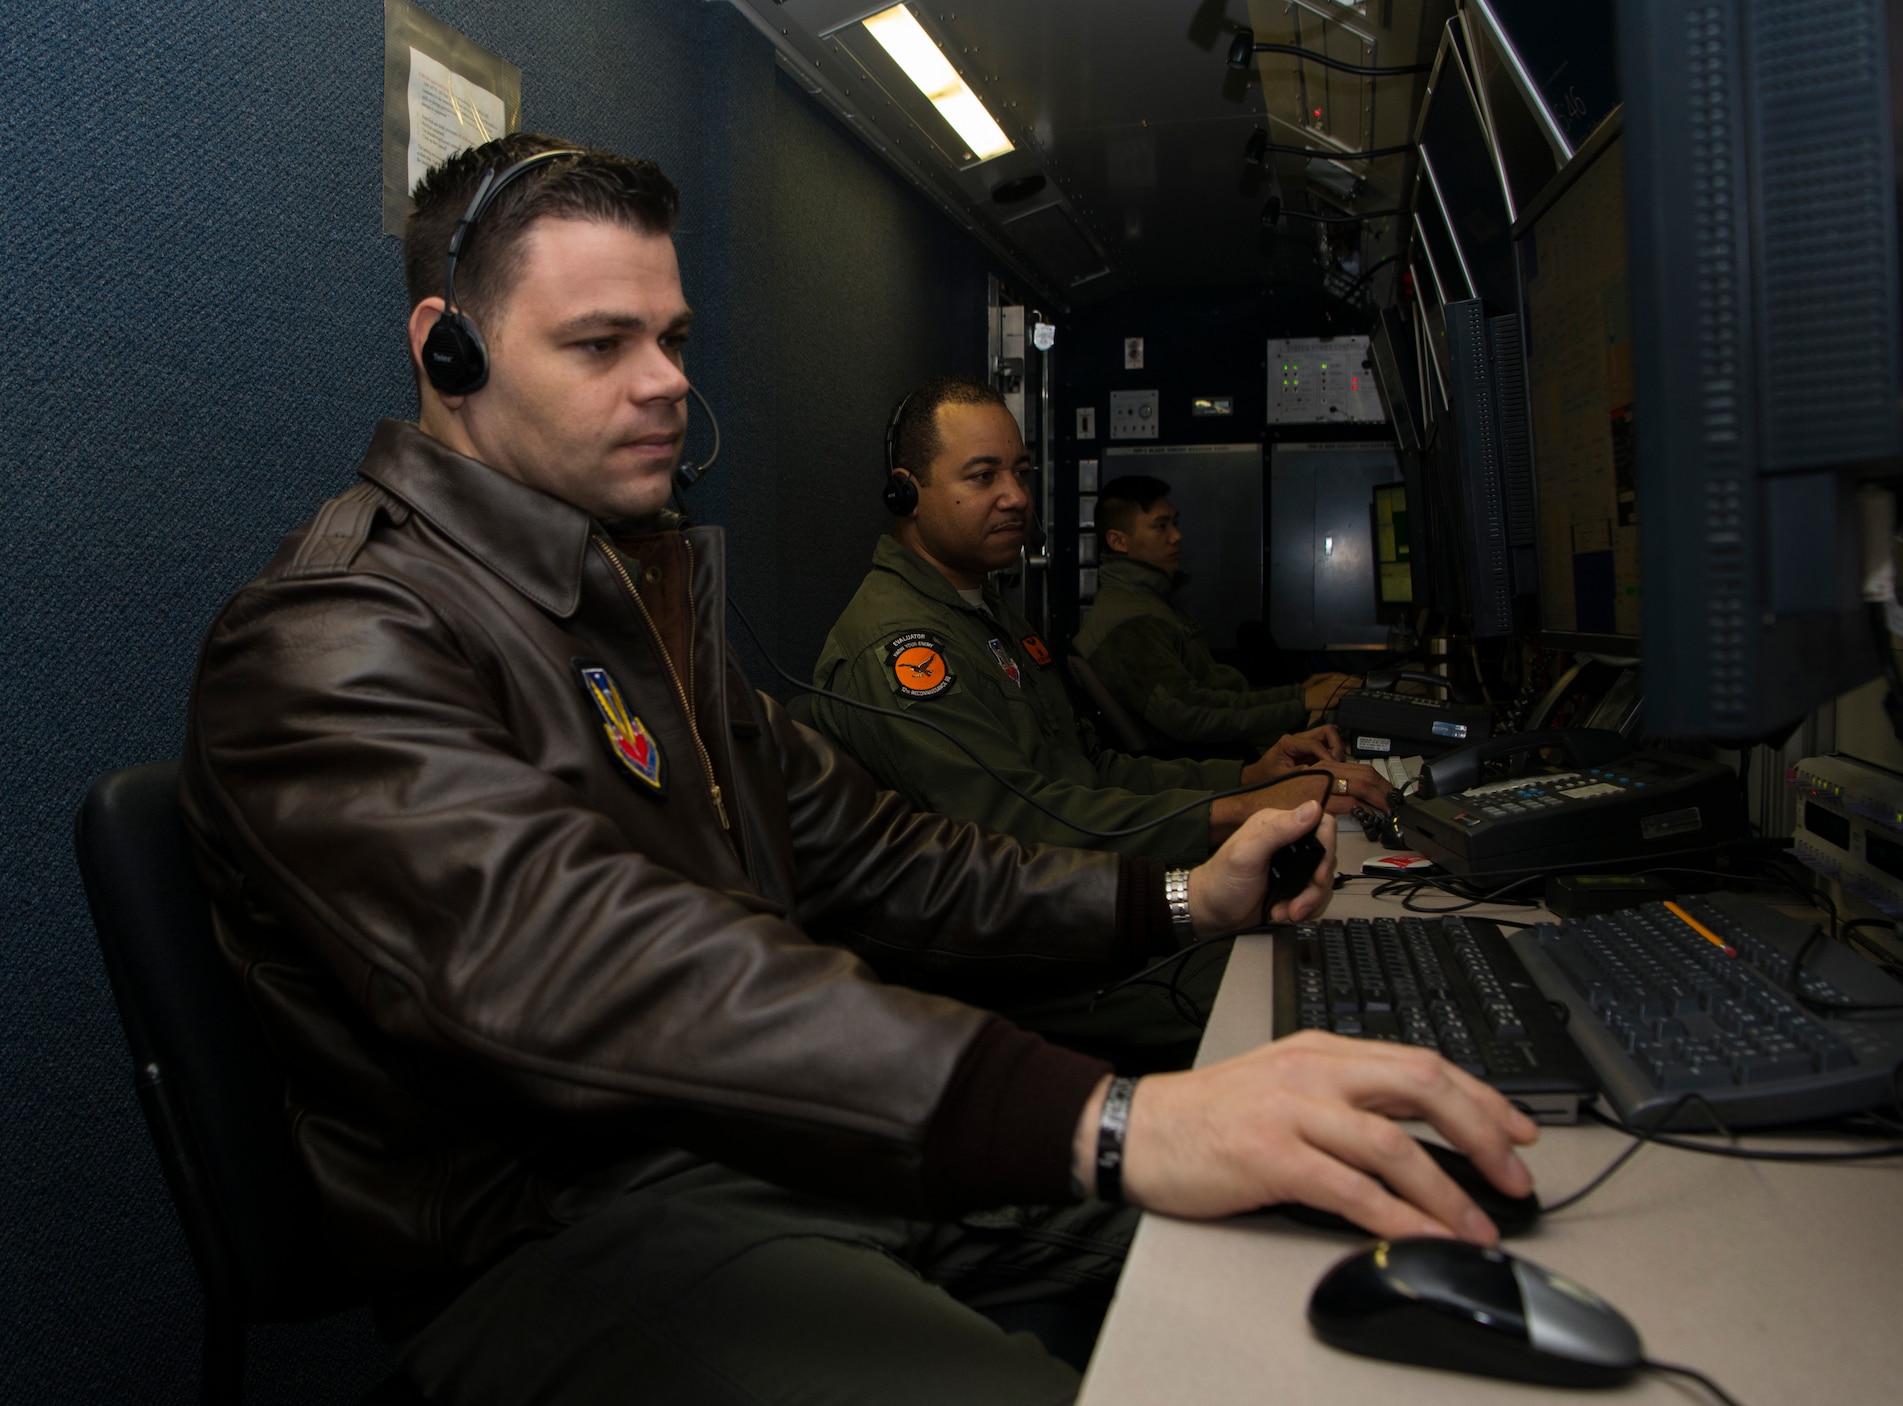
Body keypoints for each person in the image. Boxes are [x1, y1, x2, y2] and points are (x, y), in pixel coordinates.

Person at [179, 134, 1538, 1406]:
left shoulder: (631, 605)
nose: (665, 380)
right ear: (449, 350)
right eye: (600, 343)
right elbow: (581, 968)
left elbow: (885, 854)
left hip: (775, 1154)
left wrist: (1183, 898)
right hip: (562, 1239)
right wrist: (1116, 1121)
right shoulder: (329, 638)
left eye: (673, 338)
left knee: (1307, 1245)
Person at [811, 379, 1393, 875]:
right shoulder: (898, 647)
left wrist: (1248, 777)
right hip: (1007, 947)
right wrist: (1247, 808)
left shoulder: (986, 612)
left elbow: (1092, 772)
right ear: (906, 492)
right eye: (983, 477)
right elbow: (1017, 823)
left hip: (1067, 892)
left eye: (1020, 471)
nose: (1016, 497)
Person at [1075, 475, 1357, 757]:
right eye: (1161, 526)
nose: (1176, 536)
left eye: (1175, 523)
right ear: (1118, 541)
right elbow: (1189, 713)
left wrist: (1297, 694)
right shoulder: (1131, 621)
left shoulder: (1150, 603)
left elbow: (1213, 697)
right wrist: (1300, 702)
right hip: (1202, 766)